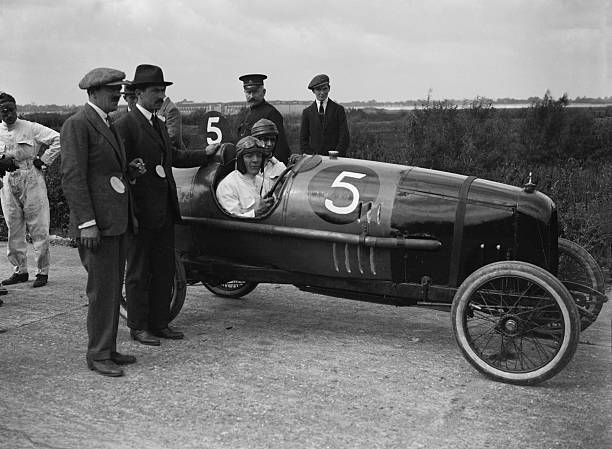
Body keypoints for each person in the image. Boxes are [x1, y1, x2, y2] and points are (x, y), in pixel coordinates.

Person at [114, 64, 213, 346]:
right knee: (138, 271)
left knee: (163, 269)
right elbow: (117, 168)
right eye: (156, 90)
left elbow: (174, 158)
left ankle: (159, 323)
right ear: (139, 93)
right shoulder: (125, 125)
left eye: (164, 90)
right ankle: (138, 326)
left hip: (164, 210)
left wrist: (205, 155)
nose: (161, 95)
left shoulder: (157, 122)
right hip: (141, 213)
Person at [61, 67, 144, 377]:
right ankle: (97, 354)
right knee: (101, 291)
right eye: (111, 89)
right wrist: (86, 223)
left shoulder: (106, 123)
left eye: (119, 89)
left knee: (112, 288)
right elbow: (72, 177)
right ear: (92, 92)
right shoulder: (78, 124)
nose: (118, 94)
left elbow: (105, 172)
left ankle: (107, 348)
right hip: (98, 225)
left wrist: (129, 171)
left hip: (116, 222)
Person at [0, 91, 61, 288]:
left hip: (31, 177)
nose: (7, 114)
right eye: (3, 111)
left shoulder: (30, 128)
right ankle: (20, 270)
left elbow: (58, 139)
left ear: (16, 109)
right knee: (13, 225)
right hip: (7, 180)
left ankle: (42, 271)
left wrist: (43, 160)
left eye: (10, 109)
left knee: (39, 225)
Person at [235, 74, 291, 164]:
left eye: (255, 92)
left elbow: (280, 147)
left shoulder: (271, 113)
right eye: (248, 92)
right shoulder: (246, 114)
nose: (252, 96)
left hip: (264, 168)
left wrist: (276, 172)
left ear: (264, 92)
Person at [216, 136, 274, 218]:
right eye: (249, 156)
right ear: (240, 160)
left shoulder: (265, 183)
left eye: (259, 156)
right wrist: (255, 213)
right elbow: (231, 221)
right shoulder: (228, 185)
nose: (255, 160)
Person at [299, 74, 350, 157]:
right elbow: (303, 140)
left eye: (325, 89)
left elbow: (344, 137)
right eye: (318, 89)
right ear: (313, 91)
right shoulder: (307, 112)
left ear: (329, 89)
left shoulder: (338, 110)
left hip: (335, 160)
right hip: (314, 161)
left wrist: (335, 155)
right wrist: (312, 156)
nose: (322, 93)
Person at [250, 118, 287, 195]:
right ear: (255, 140)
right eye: (265, 139)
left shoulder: (279, 167)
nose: (270, 144)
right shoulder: (245, 166)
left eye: (272, 140)